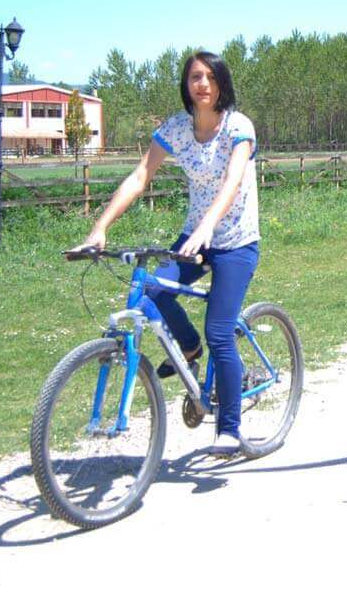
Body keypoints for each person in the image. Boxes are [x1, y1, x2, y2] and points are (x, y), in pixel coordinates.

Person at [76, 51, 259, 456]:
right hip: (194, 237)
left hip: (235, 241)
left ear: (222, 83)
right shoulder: (177, 127)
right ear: (187, 84)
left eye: (211, 77)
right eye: (195, 77)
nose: (203, 84)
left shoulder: (238, 127)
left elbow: (232, 181)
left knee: (221, 332)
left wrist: (210, 224)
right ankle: (189, 349)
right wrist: (99, 228)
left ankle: (229, 427)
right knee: (151, 294)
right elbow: (141, 175)